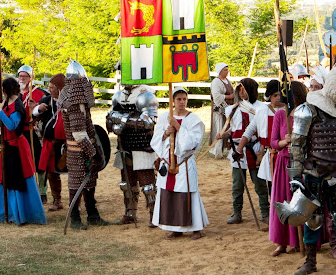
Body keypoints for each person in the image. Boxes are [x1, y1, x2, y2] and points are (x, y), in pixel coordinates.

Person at [286, 66, 336, 275]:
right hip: (315, 173)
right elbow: (297, 144)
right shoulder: (308, 109)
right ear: (333, 87)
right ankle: (310, 261)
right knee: (313, 219)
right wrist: (295, 176)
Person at [151, 87, 209, 239]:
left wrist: (178, 127)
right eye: (179, 99)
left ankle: (196, 228)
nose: (182, 102)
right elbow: (155, 140)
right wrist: (165, 133)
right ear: (173, 101)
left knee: (187, 193)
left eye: (184, 99)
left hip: (183, 162)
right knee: (170, 193)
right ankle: (175, 228)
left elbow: (192, 143)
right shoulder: (164, 118)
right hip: (167, 162)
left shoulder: (193, 120)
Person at [0, 78, 47, 225]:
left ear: (6, 90)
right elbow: (1, 122)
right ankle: (7, 212)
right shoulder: (7, 103)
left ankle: (23, 214)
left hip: (18, 149)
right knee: (6, 179)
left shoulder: (18, 105)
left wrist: (0, 112)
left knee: (19, 180)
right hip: (7, 147)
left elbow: (12, 126)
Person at [59, 60, 109, 230]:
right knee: (76, 184)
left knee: (90, 182)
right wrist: (93, 153)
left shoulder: (69, 95)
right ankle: (75, 219)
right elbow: (79, 134)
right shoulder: (73, 101)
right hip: (78, 150)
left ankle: (93, 215)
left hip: (84, 147)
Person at [106, 84, 159, 226]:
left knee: (147, 184)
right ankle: (130, 213)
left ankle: (155, 214)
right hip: (124, 144)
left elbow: (148, 122)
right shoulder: (118, 95)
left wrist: (121, 120)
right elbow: (109, 119)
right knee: (126, 183)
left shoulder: (146, 94)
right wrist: (114, 120)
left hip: (142, 143)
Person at [220, 78, 270, 224]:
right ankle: (237, 213)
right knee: (237, 184)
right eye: (239, 89)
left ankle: (265, 213)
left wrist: (261, 151)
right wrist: (225, 134)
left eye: (244, 89)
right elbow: (234, 128)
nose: (241, 92)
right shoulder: (232, 109)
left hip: (254, 149)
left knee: (259, 183)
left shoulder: (262, 108)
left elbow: (262, 130)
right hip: (238, 150)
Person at [268, 81, 307, 256]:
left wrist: (299, 146)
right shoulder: (280, 115)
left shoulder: (306, 114)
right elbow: (273, 142)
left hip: (302, 165)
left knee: (300, 202)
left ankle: (302, 241)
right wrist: (285, 142)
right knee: (283, 201)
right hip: (284, 165)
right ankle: (282, 242)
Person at [236, 80, 286, 196]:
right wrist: (239, 149)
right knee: (272, 189)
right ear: (269, 96)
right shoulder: (262, 111)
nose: (278, 98)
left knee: (284, 188)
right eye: (275, 95)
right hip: (271, 154)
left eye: (280, 95)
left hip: (285, 155)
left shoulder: (288, 110)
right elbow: (249, 131)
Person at [34, 73, 66, 212]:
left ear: (59, 88)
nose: (50, 89)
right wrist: (38, 109)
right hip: (50, 143)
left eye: (52, 87)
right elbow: (34, 113)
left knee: (74, 172)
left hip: (66, 143)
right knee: (52, 173)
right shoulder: (47, 100)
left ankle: (76, 201)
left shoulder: (68, 101)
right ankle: (57, 200)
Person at [17, 65, 49, 203]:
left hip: (33, 130)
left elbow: (47, 110)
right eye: (20, 76)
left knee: (39, 162)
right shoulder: (14, 93)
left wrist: (36, 108)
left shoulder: (39, 93)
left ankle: (42, 192)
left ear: (30, 78)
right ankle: (24, 189)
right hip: (18, 131)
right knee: (20, 162)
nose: (22, 78)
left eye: (25, 76)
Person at [210, 62, 234, 159]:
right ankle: (218, 152)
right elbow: (216, 97)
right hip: (219, 109)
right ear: (220, 71)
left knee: (228, 128)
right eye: (225, 70)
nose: (227, 71)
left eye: (227, 69)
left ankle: (226, 149)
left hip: (228, 108)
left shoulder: (227, 80)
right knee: (220, 129)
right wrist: (229, 96)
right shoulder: (216, 81)